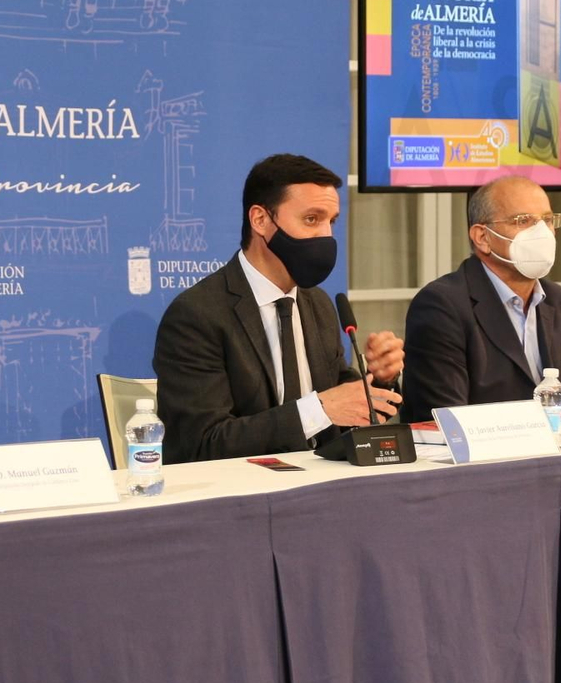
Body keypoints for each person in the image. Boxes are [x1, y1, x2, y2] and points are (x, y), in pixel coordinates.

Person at [153, 153, 404, 463]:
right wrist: (319, 410)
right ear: (260, 220)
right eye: (312, 219)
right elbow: (201, 444)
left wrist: (378, 381)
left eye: (331, 221)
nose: (326, 235)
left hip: (323, 488)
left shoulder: (318, 304)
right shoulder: (197, 315)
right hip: (241, 498)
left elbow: (344, 408)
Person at [401, 176, 561, 421]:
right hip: (479, 455)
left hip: (556, 454)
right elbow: (445, 420)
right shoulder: (441, 305)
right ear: (482, 237)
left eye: (547, 220)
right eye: (523, 221)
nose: (542, 233)